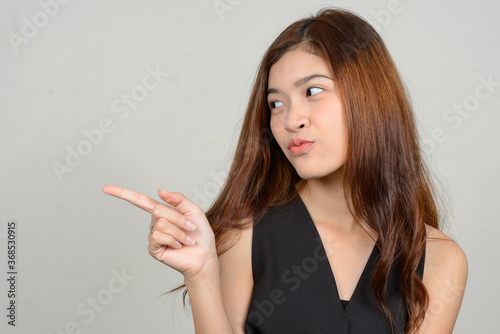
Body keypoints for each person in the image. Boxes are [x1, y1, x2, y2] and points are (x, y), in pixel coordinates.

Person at [102, 7, 468, 334]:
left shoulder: (439, 258)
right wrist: (202, 275)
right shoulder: (244, 234)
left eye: (312, 91)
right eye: (275, 103)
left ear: (369, 95)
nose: (291, 119)